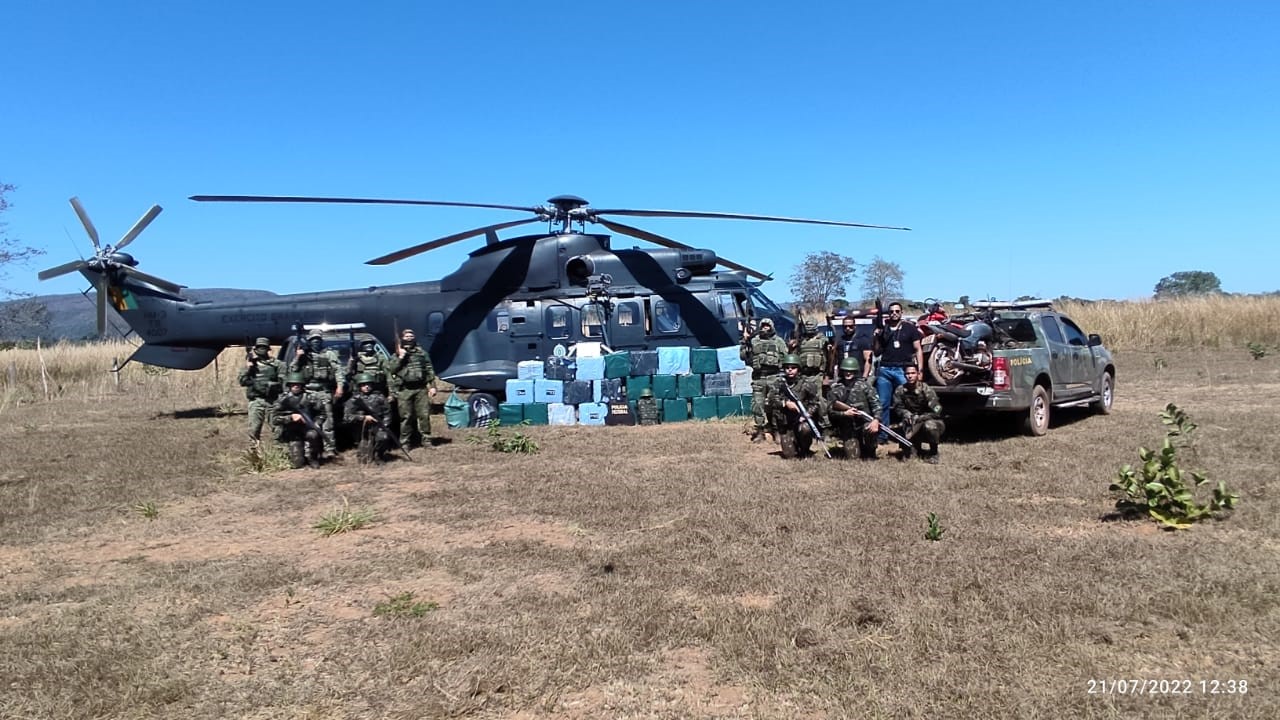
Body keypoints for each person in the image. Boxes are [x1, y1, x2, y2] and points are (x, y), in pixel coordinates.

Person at [288, 332, 345, 456]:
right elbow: (292, 371)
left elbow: (338, 371)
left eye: (318, 340)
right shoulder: (304, 356)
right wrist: (298, 357)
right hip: (307, 393)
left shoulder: (329, 354)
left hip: (324, 391)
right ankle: (311, 450)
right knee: (308, 422)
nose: (316, 342)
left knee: (328, 422)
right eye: (313, 340)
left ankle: (329, 448)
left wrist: (339, 387)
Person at [874, 301, 923, 442]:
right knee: (882, 403)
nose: (894, 314)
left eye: (897, 311)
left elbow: (918, 349)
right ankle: (882, 436)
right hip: (885, 370)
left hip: (903, 370)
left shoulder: (910, 328)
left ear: (901, 313)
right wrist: (876, 336)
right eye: (891, 312)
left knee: (907, 403)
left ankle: (909, 435)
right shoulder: (884, 329)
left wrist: (920, 370)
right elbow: (877, 351)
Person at [765, 354, 822, 459]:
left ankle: (805, 449)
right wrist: (785, 403)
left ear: (798, 369)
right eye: (787, 368)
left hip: (801, 420)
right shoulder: (778, 383)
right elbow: (771, 400)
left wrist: (806, 415)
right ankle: (794, 445)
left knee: (805, 428)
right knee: (789, 456)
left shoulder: (807, 384)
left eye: (793, 368)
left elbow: (815, 402)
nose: (790, 370)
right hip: (786, 424)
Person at [740, 317, 788, 443]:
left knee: (775, 406)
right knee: (757, 405)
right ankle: (760, 431)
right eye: (763, 326)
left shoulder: (779, 341)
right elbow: (743, 356)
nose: (765, 328)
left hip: (774, 377)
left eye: (767, 325)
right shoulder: (754, 341)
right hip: (758, 378)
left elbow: (786, 358)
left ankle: (776, 430)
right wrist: (745, 342)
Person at [390, 328, 437, 448]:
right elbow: (392, 369)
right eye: (407, 336)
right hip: (404, 390)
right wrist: (401, 357)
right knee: (406, 417)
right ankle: (405, 442)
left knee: (424, 415)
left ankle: (426, 440)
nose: (409, 338)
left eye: (411, 336)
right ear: (402, 338)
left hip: (420, 388)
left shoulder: (422, 353)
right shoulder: (396, 354)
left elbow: (429, 370)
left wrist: (432, 386)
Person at [272, 372, 331, 468]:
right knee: (297, 463)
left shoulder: (311, 397)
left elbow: (322, 413)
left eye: (298, 384)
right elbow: (274, 419)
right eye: (293, 384)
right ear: (289, 386)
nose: (296, 386)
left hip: (308, 428)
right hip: (292, 431)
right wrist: (290, 417)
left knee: (313, 435)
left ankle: (313, 457)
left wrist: (317, 423)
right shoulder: (282, 399)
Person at [827, 357, 882, 460]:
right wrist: (845, 414)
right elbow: (830, 411)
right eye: (846, 371)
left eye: (851, 371)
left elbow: (877, 405)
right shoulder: (835, 389)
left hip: (865, 423)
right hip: (848, 427)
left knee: (870, 432)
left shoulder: (865, 387)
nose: (848, 373)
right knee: (852, 457)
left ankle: (870, 450)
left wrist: (876, 420)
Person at [892, 365, 945, 462]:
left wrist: (923, 417)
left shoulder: (926, 390)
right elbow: (898, 407)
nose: (910, 376)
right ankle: (912, 449)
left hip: (930, 421)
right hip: (911, 422)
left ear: (918, 374)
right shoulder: (900, 390)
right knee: (901, 426)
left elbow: (938, 410)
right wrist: (906, 413)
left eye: (913, 373)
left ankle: (934, 452)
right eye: (907, 374)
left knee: (929, 426)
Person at [237, 336, 283, 443]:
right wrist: (248, 368)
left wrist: (270, 386)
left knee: (278, 428)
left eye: (264, 347)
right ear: (255, 350)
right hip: (256, 401)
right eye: (259, 347)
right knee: (254, 430)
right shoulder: (250, 365)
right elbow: (242, 382)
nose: (262, 350)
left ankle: (279, 452)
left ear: (268, 349)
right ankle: (254, 454)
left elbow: (283, 382)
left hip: (273, 400)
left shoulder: (277, 364)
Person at [344, 373, 393, 464]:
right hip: (361, 429)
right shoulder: (354, 400)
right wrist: (363, 417)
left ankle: (379, 455)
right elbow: (347, 417)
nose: (366, 387)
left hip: (377, 426)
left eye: (368, 384)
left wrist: (384, 426)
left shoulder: (380, 397)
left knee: (383, 437)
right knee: (364, 460)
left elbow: (387, 413)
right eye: (363, 385)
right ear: (359, 386)